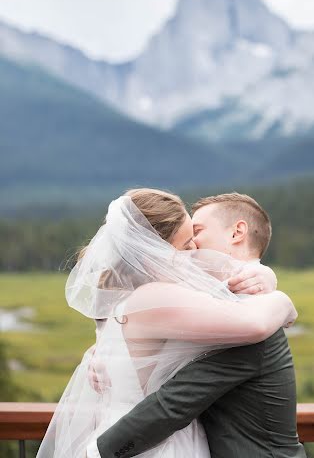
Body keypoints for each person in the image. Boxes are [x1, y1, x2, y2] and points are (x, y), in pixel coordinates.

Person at [36, 189, 297, 458]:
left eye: (197, 233)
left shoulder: (126, 300)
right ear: (156, 249)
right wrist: (284, 302)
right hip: (158, 445)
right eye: (187, 245)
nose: (194, 251)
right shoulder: (156, 297)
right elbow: (253, 324)